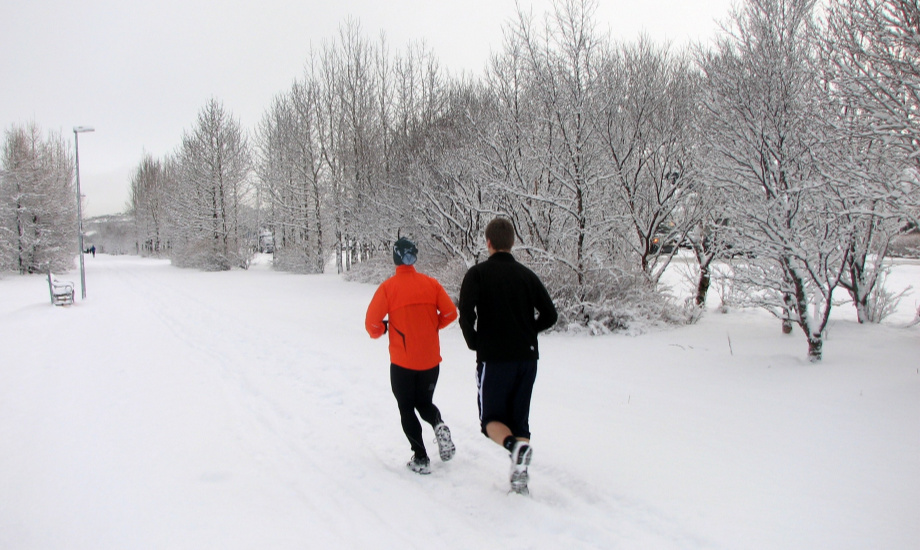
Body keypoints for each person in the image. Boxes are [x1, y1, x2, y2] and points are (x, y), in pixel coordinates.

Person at [458, 217, 557, 495]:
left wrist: (475, 342)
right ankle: (519, 472)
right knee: (519, 418)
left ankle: (515, 448)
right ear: (512, 243)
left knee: (490, 420)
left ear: (488, 243)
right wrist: (527, 331)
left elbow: (466, 314)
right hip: (527, 359)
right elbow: (550, 315)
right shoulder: (527, 276)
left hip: (494, 358)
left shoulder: (476, 274)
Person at [365, 237, 459, 475]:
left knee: (406, 407)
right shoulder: (431, 284)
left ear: (396, 258)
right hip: (430, 361)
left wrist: (386, 328)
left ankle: (421, 457)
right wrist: (431, 325)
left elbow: (371, 325)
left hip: (403, 363)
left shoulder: (388, 288)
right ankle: (438, 424)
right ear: (414, 257)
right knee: (424, 403)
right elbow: (450, 313)